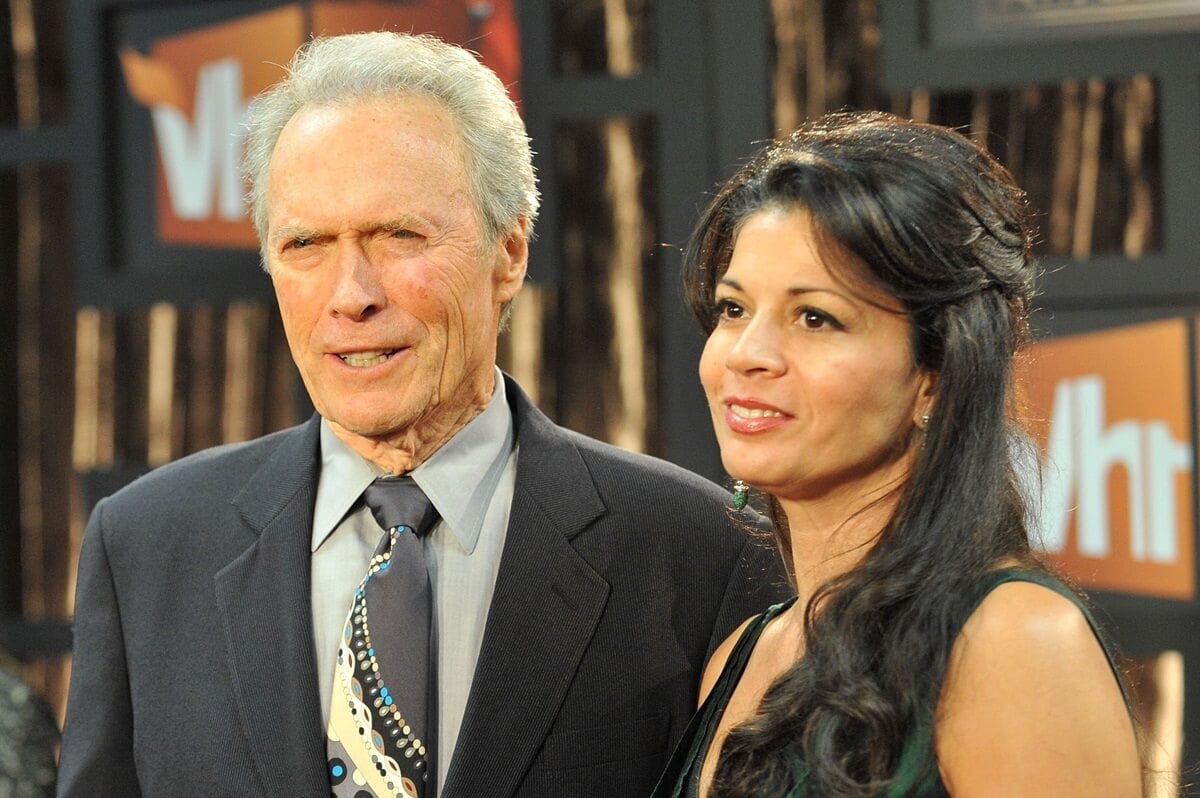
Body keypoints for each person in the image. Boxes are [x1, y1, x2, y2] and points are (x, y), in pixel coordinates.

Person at [57, 32, 787, 798]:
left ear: (509, 254)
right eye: (305, 244)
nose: (351, 295)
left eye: (399, 236)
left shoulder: (700, 553)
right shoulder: (145, 546)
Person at [653, 111, 1143, 797]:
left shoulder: (1014, 643)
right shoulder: (743, 655)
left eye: (815, 318)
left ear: (937, 374)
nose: (747, 355)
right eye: (734, 310)